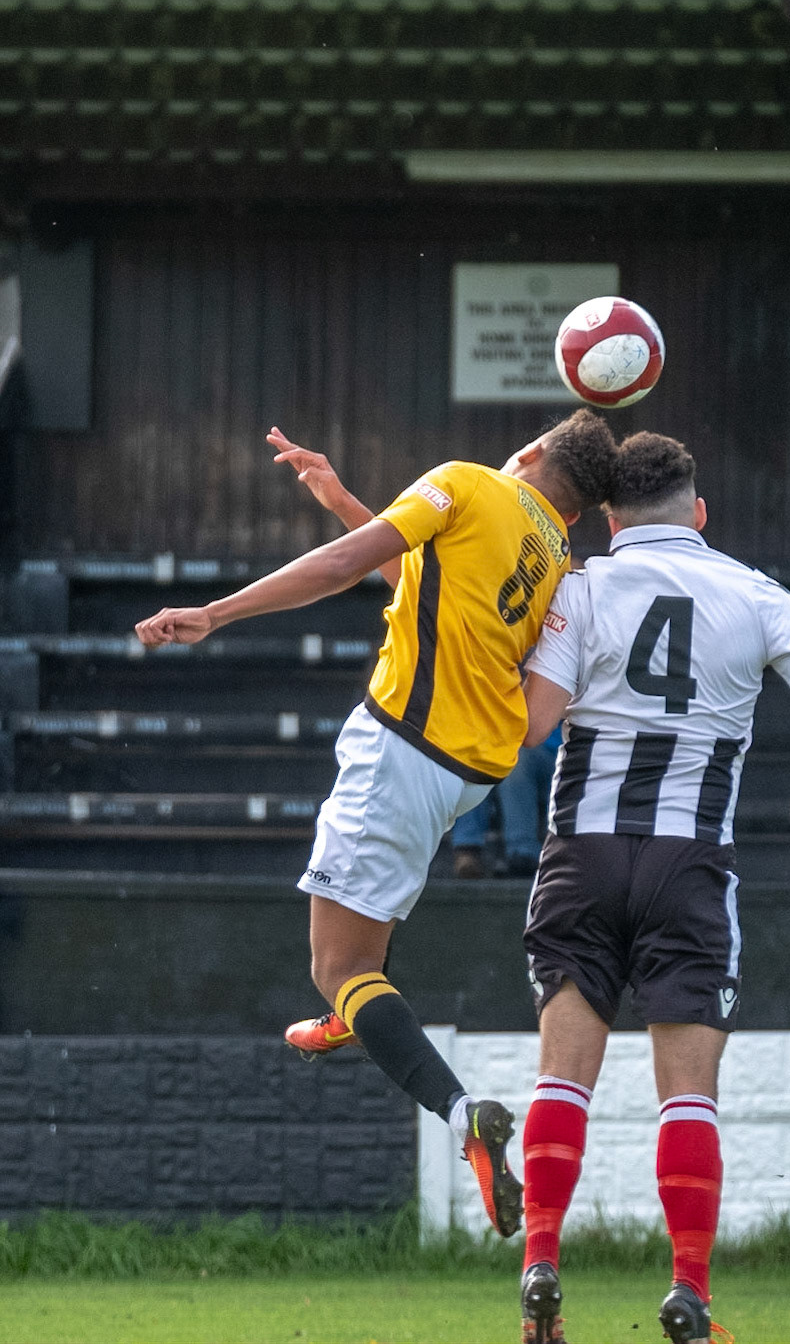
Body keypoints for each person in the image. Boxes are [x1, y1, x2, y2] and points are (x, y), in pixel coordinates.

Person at [134, 409, 618, 1239]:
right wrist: (343, 500)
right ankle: (354, 1010)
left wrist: (215, 612)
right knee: (360, 948)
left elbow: (343, 567)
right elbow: (423, 584)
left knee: (338, 965)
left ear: (532, 451)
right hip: (464, 771)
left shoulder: (469, 482)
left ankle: (461, 1112)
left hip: (401, 751)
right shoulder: (555, 560)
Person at [516, 432, 790, 1344]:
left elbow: (533, 727)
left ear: (610, 519)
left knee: (563, 1077)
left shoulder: (579, 590)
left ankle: (541, 1262)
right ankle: (688, 1288)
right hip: (689, 865)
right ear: (699, 512)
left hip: (582, 855)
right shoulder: (756, 595)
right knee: (687, 1094)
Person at [452, 727, 562, 879]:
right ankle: (466, 850)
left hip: (551, 751)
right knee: (474, 748)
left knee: (517, 759)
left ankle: (522, 854)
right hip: (498, 745)